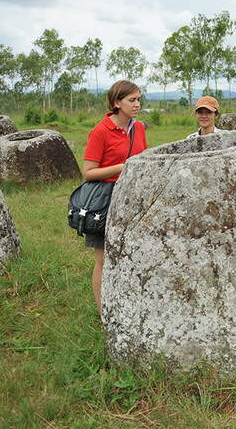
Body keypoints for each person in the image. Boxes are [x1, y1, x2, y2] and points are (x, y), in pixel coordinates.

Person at [82, 80, 147, 313]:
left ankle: (129, 305)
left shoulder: (138, 128)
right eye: (132, 100)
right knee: (103, 259)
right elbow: (88, 172)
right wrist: (122, 167)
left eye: (139, 99)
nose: (137, 104)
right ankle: (103, 314)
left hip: (133, 199)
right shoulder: (100, 131)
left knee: (132, 253)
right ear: (117, 103)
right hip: (105, 202)